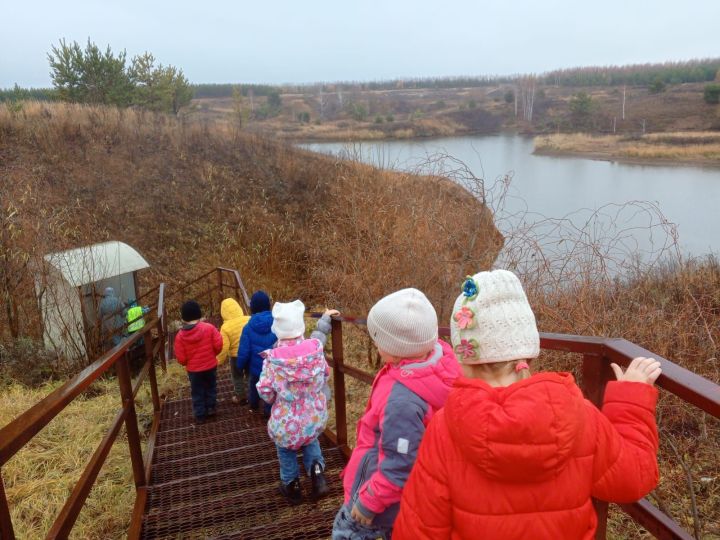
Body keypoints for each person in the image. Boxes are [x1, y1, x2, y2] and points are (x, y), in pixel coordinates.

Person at [393, 270, 661, 540]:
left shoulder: (446, 428)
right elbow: (632, 477)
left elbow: (419, 528)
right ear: (528, 352)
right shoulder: (579, 414)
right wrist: (631, 397)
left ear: (463, 359)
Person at [332, 288, 461, 540]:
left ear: (396, 347)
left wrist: (368, 502)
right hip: (409, 497)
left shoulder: (403, 400)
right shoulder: (439, 360)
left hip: (379, 500)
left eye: (378, 339)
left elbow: (400, 464)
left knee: (345, 532)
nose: (376, 344)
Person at [256, 300, 336, 505]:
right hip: (312, 414)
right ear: (301, 327)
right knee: (311, 440)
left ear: (278, 330)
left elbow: (264, 389)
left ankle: (292, 485)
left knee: (286, 449)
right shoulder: (314, 351)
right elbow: (325, 374)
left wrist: (275, 399)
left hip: (286, 420)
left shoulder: (273, 360)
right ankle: (317, 476)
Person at [174, 300, 223, 424]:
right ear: (199, 314)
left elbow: (181, 358)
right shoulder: (209, 328)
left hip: (194, 370)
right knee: (211, 386)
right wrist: (213, 354)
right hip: (210, 365)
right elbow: (219, 344)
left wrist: (187, 363)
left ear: (183, 318)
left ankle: (200, 414)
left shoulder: (180, 336)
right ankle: (211, 407)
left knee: (197, 391)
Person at [237, 291, 276, 414]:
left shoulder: (248, 328)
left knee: (254, 385)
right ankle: (268, 410)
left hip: (255, 367)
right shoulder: (277, 324)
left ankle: (253, 404)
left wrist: (240, 365)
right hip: (272, 366)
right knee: (272, 386)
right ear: (269, 305)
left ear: (252, 307)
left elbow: (244, 350)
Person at [217, 297, 250, 404]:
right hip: (249, 353)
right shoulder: (248, 319)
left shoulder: (225, 327)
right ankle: (253, 393)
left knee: (237, 376)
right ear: (238, 307)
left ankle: (240, 396)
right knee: (250, 374)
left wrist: (218, 360)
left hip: (236, 357)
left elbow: (224, 347)